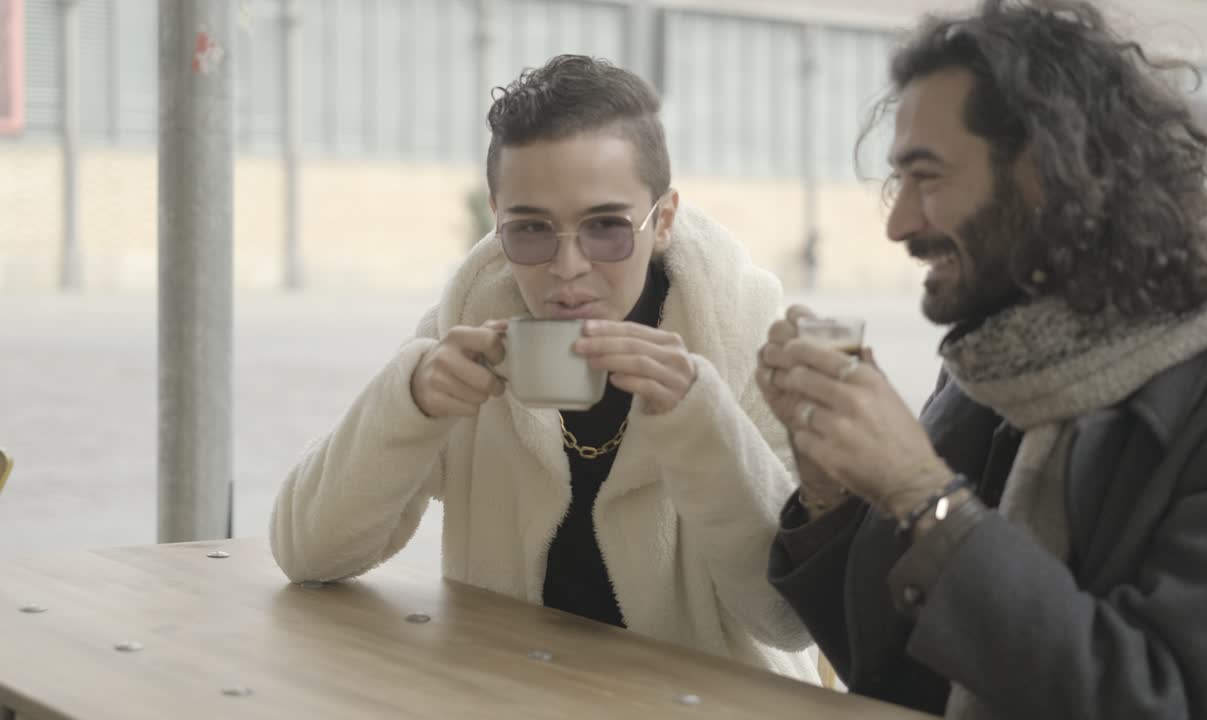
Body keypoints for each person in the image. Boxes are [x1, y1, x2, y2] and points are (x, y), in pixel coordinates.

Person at [757, 1, 1207, 717]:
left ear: (1042, 174)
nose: (898, 222)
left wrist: (921, 493)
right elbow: (892, 672)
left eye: (928, 177)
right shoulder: (1004, 343)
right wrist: (834, 491)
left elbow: (1166, 698)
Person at [269, 54, 818, 683]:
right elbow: (305, 552)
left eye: (606, 228)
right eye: (531, 230)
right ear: (496, 219)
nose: (567, 268)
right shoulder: (469, 320)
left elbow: (789, 618)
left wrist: (702, 420)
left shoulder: (747, 339)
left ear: (662, 220)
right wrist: (412, 401)